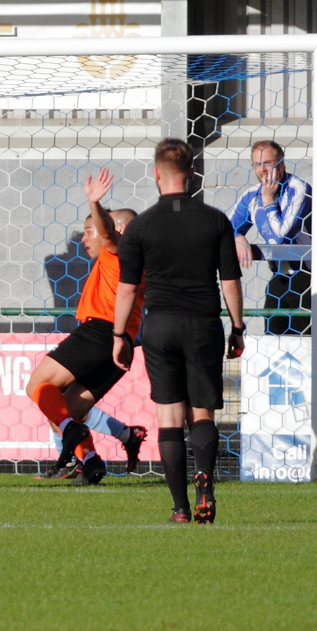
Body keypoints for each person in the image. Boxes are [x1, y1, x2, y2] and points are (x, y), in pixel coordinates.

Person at [112, 139, 244, 524]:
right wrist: (237, 328)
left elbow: (127, 289)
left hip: (160, 325)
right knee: (202, 412)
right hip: (203, 324)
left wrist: (120, 336)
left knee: (168, 416)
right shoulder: (216, 220)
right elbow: (230, 282)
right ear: (192, 173)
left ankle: (181, 509)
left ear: (156, 173)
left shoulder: (140, 226)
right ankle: (205, 481)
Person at [26, 168, 147, 484]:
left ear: (119, 228)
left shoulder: (119, 249)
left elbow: (108, 233)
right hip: (123, 344)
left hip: (101, 331)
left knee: (38, 386)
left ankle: (73, 436)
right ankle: (90, 463)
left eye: (89, 230)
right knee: (66, 409)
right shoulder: (139, 257)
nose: (85, 238)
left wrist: (95, 203)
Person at [230, 140, 312, 335]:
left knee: (305, 344)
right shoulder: (251, 196)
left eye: (267, 163)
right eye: (257, 164)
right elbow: (224, 228)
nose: (262, 169)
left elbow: (280, 238)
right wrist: (237, 236)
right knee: (272, 341)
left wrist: (268, 202)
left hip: (308, 277)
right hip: (279, 277)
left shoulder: (299, 189)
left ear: (281, 163)